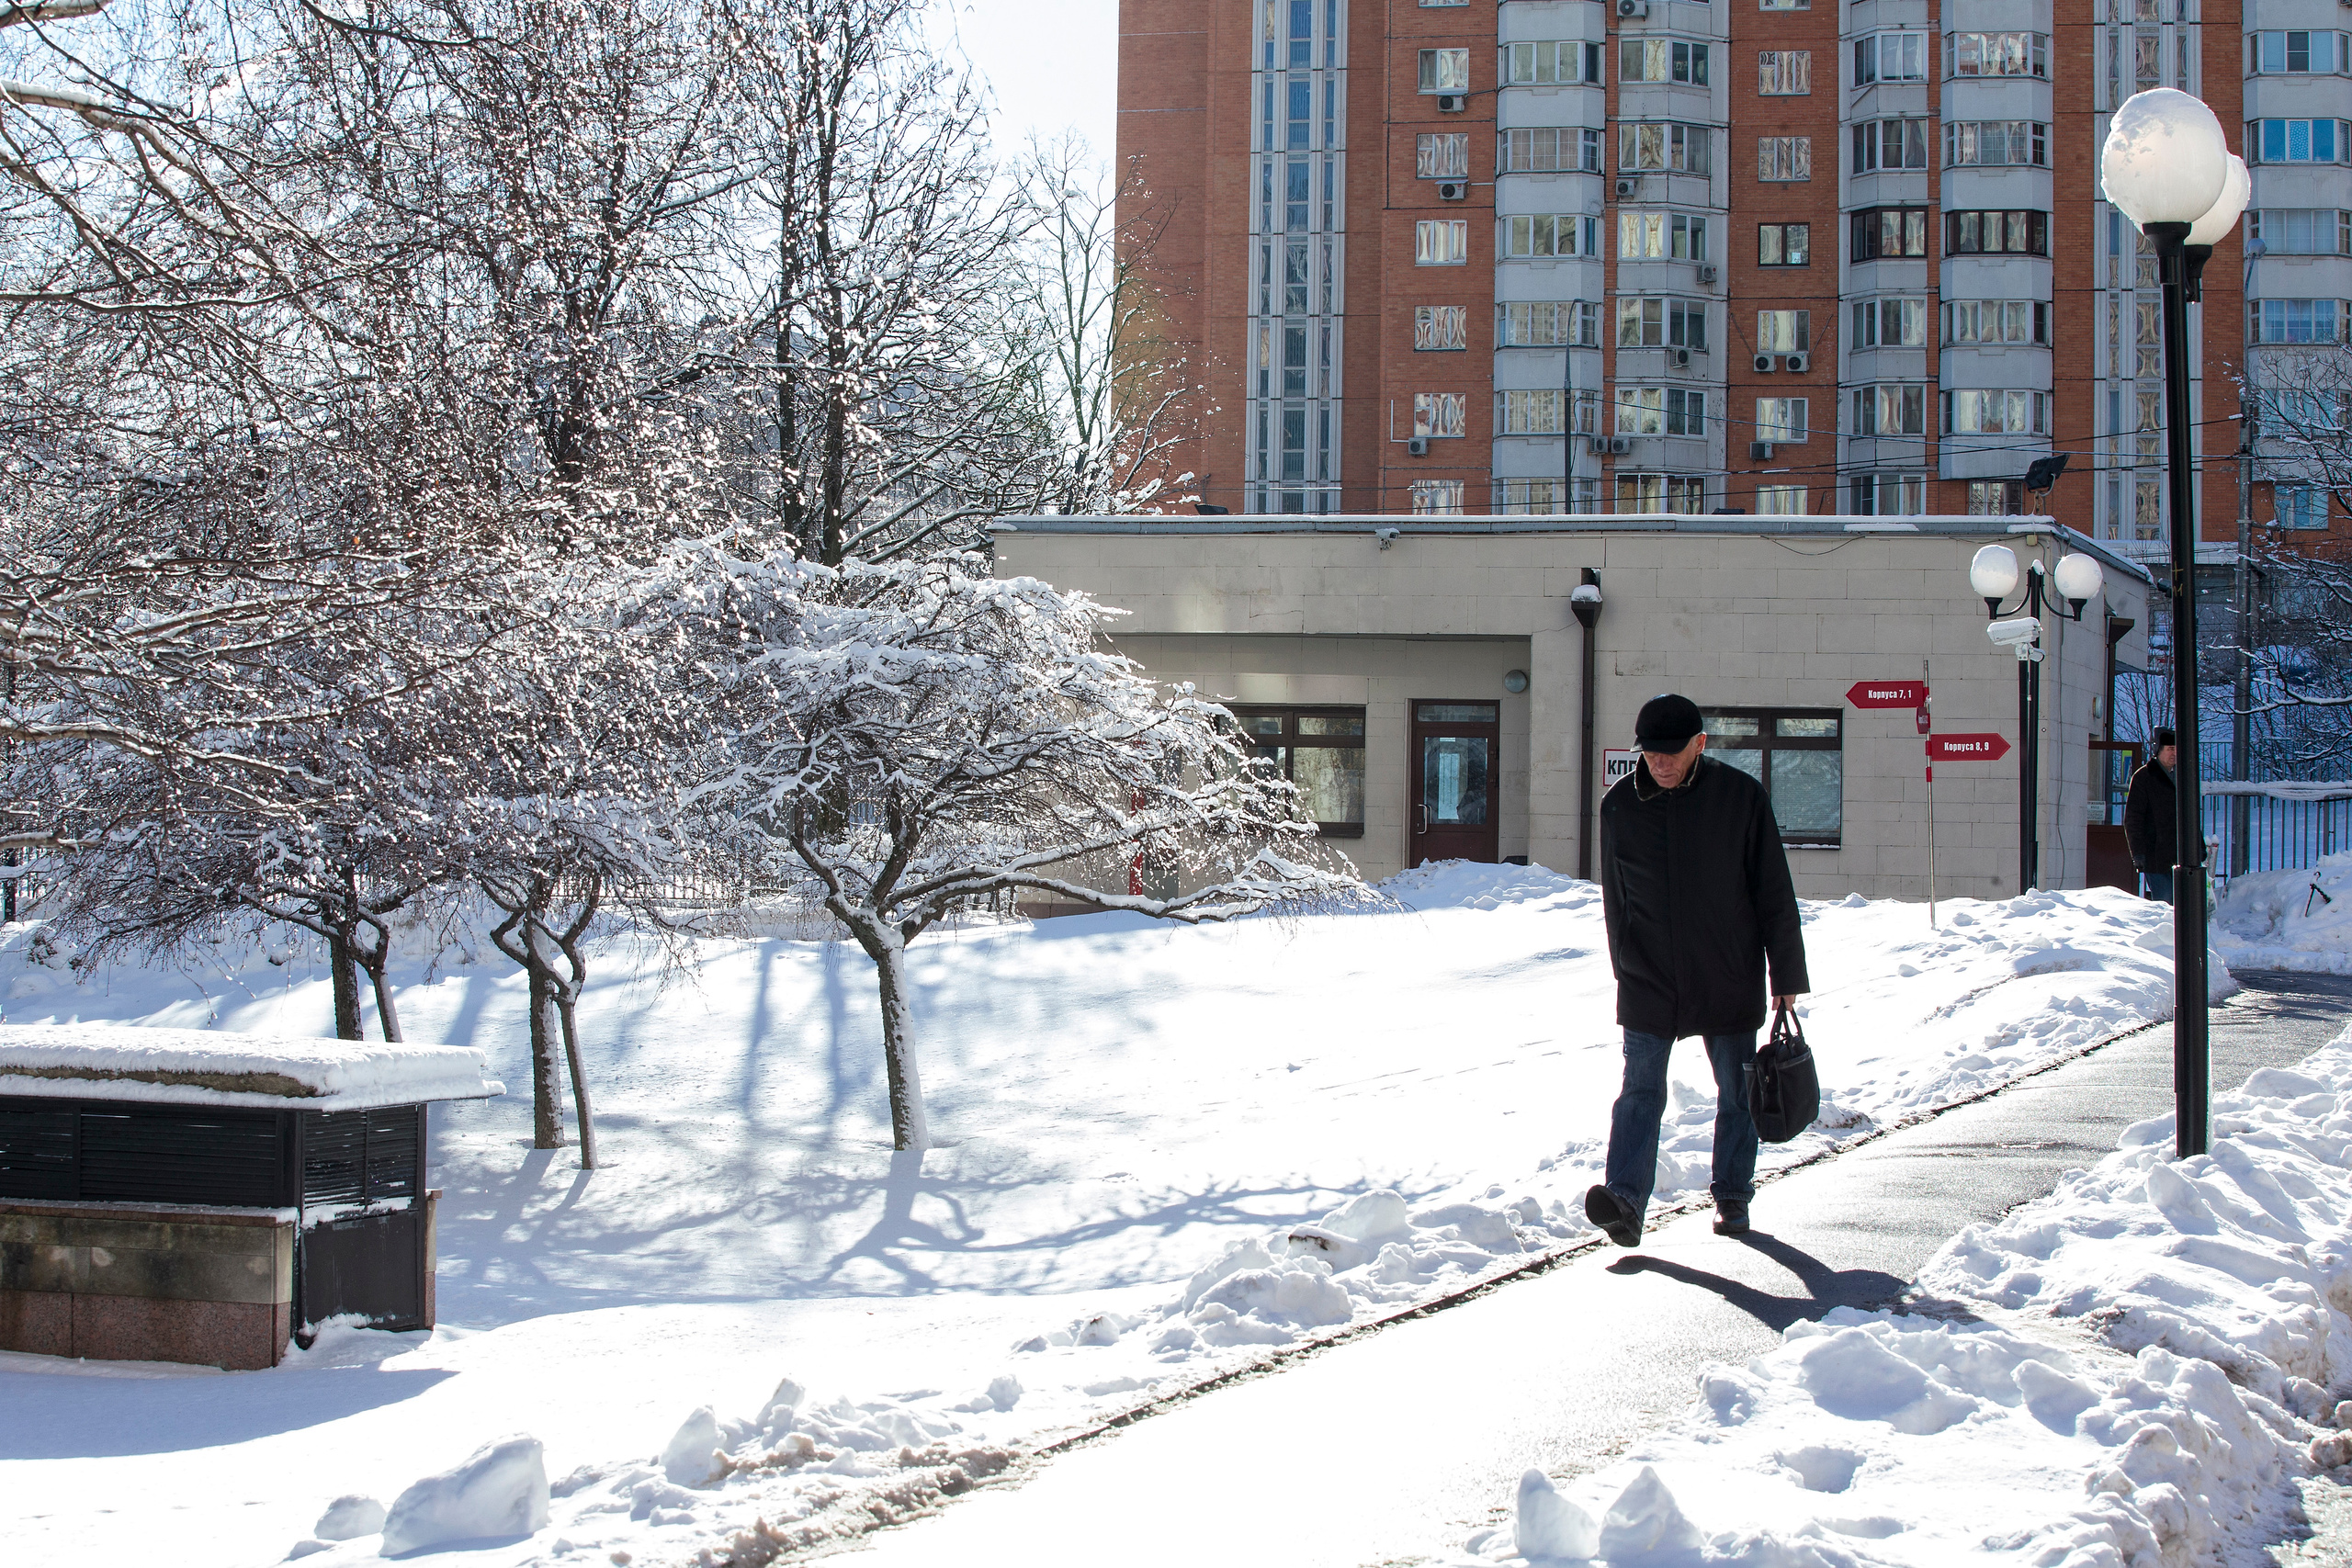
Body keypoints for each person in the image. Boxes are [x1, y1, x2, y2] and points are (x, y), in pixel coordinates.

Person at [1585, 694, 1809, 1247]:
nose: (1659, 763)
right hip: (1648, 977)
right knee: (1639, 1092)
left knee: (1735, 1091)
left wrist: (1786, 977)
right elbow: (1616, 899)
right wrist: (1623, 967)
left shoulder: (1741, 798)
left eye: (1671, 752)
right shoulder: (1620, 806)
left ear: (1700, 744)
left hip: (1727, 970)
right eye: (1650, 752)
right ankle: (1625, 1202)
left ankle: (1732, 1195)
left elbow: (1773, 892)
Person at [2122, 728, 2178, 904]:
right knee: (2165, 902)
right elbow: (2133, 818)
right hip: (2155, 855)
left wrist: (2197, 847)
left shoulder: (2181, 777)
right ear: (2158, 750)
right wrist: (2138, 853)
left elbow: (2190, 816)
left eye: (2177, 749)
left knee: (2182, 903)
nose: (2174, 753)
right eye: (2170, 749)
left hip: (2179, 855)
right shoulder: (2144, 777)